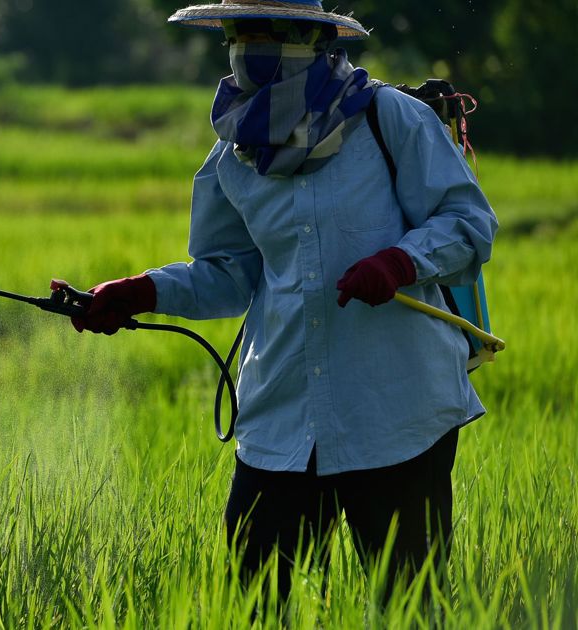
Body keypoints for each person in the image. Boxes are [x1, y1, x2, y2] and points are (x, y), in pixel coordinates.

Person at [66, 0, 498, 601]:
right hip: (282, 416)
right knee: (256, 602)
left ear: (311, 38)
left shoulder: (387, 119)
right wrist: (143, 291)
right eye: (238, 33)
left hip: (397, 409)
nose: (248, 46)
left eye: (266, 32)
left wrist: (399, 262)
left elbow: (468, 222)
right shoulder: (232, 154)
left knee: (412, 605)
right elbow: (228, 273)